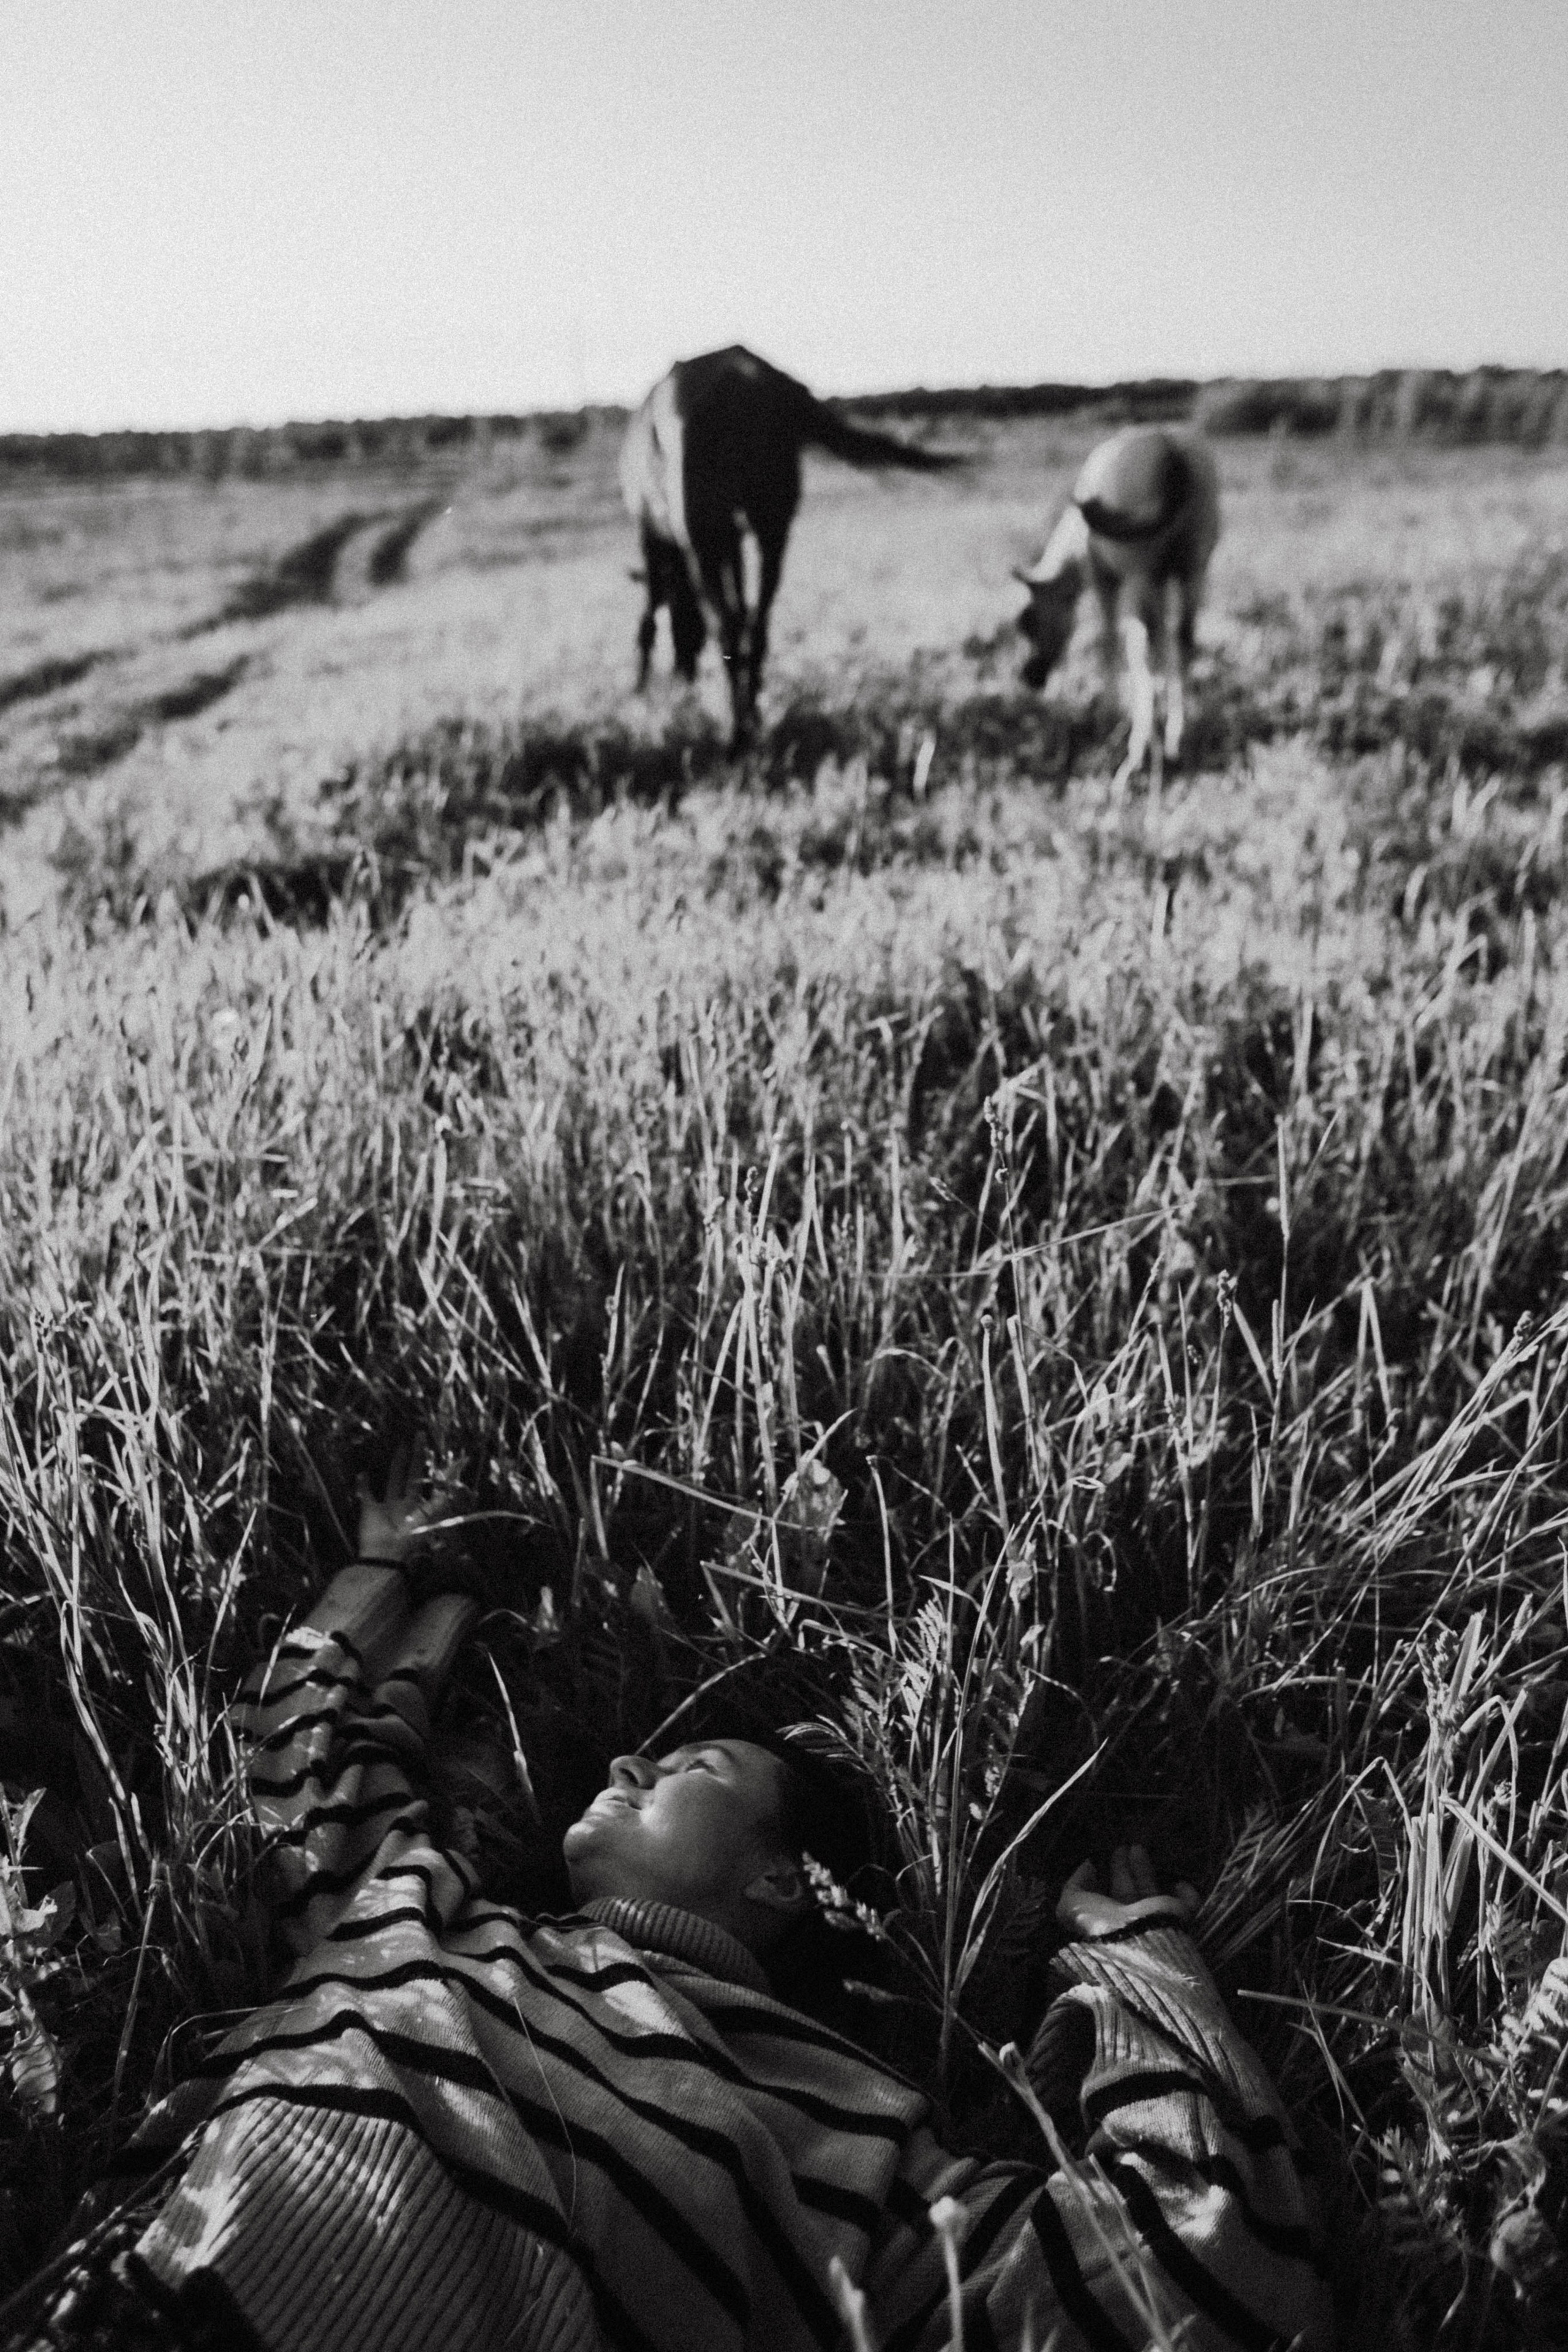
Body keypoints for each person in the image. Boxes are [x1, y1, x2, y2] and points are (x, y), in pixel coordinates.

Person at [24, 1473, 1335, 2352]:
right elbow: (300, 1758)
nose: (625, 1765)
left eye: (694, 1766)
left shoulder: (825, 2129)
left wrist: (1130, 1964)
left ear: (782, 1884)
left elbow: (1202, 2286)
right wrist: (394, 1587)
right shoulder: (414, 1900)